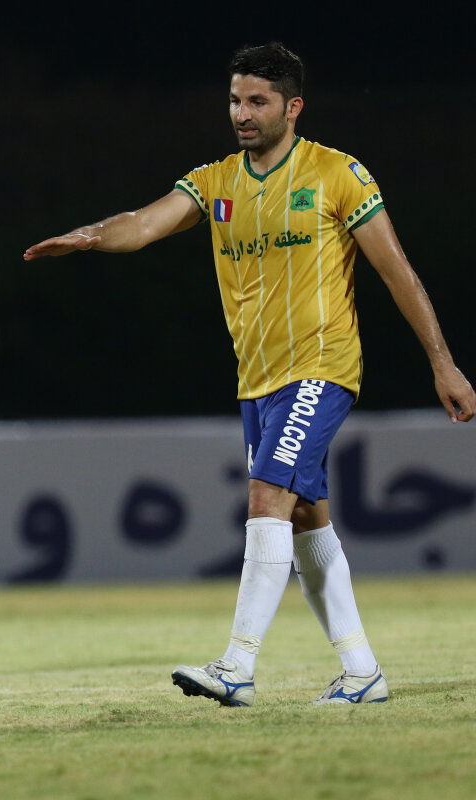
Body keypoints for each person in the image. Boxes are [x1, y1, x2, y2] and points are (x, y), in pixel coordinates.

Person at [24, 42, 475, 706]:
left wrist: (443, 362)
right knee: (307, 521)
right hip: (257, 381)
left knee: (266, 497)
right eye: (235, 100)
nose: (242, 113)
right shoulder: (215, 182)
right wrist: (91, 235)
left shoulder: (338, 174)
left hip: (321, 366)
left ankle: (237, 666)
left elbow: (397, 271)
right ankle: (362, 672)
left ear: (293, 107)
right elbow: (143, 224)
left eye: (258, 101)